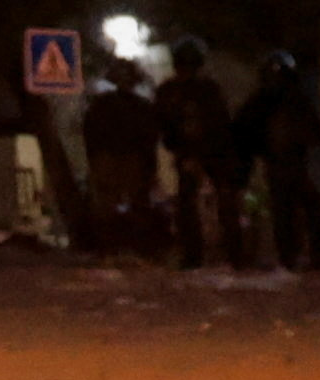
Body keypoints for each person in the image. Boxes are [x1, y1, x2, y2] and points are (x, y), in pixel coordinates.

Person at [230, 51, 320, 273]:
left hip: (295, 163)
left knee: (300, 209)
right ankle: (294, 257)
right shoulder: (268, 101)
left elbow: (314, 132)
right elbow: (243, 132)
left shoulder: (294, 100)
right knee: (286, 211)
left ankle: (307, 255)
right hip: (279, 164)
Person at [152, 43, 238, 268]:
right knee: (192, 204)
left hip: (210, 153)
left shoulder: (198, 90)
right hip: (200, 153)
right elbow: (166, 126)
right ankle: (213, 254)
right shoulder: (191, 90)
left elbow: (219, 124)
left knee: (210, 202)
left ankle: (219, 253)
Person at [77, 61, 162, 263]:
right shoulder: (139, 107)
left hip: (118, 159)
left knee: (115, 206)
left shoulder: (102, 106)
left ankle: (114, 249)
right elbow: (150, 138)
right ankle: (127, 249)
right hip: (123, 160)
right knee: (128, 205)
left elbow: (90, 134)